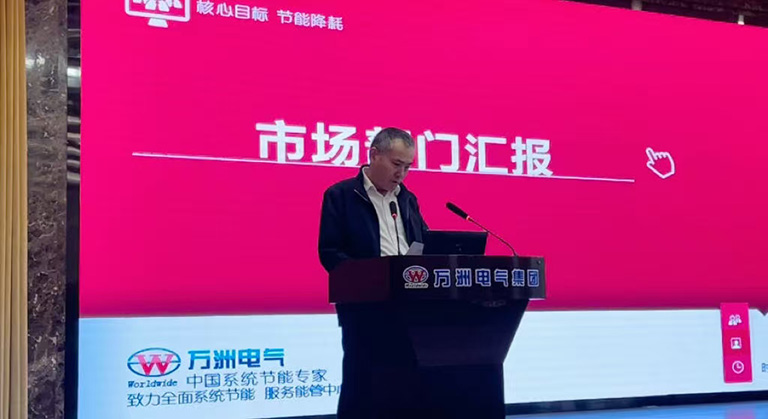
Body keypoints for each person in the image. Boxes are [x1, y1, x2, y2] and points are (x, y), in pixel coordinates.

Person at [318, 127, 429, 418]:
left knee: (406, 383)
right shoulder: (341, 195)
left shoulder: (407, 199)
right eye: (396, 164)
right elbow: (330, 253)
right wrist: (371, 278)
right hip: (364, 308)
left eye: (407, 167)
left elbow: (424, 243)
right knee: (363, 383)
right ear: (374, 155)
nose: (401, 174)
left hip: (409, 307)